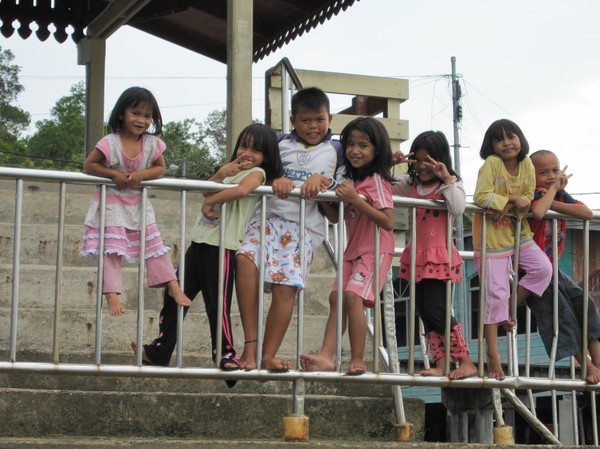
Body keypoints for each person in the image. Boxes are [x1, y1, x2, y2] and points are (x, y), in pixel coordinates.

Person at [133, 124, 283, 385]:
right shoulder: (231, 170)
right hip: (199, 243)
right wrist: (222, 173)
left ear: (267, 157)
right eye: (243, 146)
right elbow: (205, 189)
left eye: (256, 150)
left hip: (222, 247)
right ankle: (159, 350)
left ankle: (226, 354)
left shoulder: (257, 173)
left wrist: (212, 201)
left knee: (218, 306)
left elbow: (242, 191)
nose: (247, 153)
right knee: (174, 296)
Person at [236, 87, 341, 371]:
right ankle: (250, 347)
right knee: (245, 259)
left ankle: (268, 355)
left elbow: (345, 183)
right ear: (293, 120)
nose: (313, 126)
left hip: (303, 228)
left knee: (286, 288)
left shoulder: (337, 150)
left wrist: (323, 181)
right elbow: (257, 165)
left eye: (319, 119)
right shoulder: (279, 142)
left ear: (329, 118)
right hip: (268, 218)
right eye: (305, 120)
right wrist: (277, 177)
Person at [80, 86, 191, 316]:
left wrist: (140, 175)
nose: (142, 120)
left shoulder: (151, 144)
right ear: (122, 113)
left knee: (155, 245)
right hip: (111, 204)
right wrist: (114, 174)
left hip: (139, 205)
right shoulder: (110, 142)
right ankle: (111, 294)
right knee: (111, 250)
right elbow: (89, 165)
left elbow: (160, 169)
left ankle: (172, 285)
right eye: (136, 113)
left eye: (147, 116)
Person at [300, 117, 395, 375]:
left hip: (374, 249)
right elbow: (334, 216)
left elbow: (387, 220)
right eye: (351, 144)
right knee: (336, 298)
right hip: (352, 250)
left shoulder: (376, 179)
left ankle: (358, 358)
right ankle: (327, 356)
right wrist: (321, 196)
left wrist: (357, 199)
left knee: (353, 297)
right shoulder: (347, 179)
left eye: (363, 145)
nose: (355, 151)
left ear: (377, 150)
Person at [392, 131, 477, 380]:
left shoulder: (449, 184)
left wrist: (447, 178)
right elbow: (384, 185)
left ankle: (465, 360)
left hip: (440, 257)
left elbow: (458, 207)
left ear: (440, 159)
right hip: (417, 256)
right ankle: (441, 363)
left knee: (438, 309)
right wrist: (392, 164)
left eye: (428, 160)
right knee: (425, 312)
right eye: (417, 160)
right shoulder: (410, 185)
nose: (422, 166)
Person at [472, 119, 552, 380]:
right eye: (500, 139)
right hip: (492, 238)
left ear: (520, 139)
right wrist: (510, 200)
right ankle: (493, 357)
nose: (507, 143)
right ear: (492, 145)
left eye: (512, 136)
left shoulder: (527, 163)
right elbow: (481, 196)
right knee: (492, 295)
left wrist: (517, 201)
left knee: (542, 268)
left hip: (518, 232)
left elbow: (528, 196)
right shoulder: (492, 164)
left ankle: (509, 308)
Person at [526, 149, 600, 384]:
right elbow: (538, 211)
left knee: (583, 301)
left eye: (555, 170)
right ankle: (585, 364)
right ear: (530, 176)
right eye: (544, 172)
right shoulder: (534, 193)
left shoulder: (557, 195)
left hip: (552, 266)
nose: (551, 176)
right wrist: (553, 192)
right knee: (561, 311)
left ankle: (597, 360)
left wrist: (557, 195)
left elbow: (586, 213)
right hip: (533, 270)